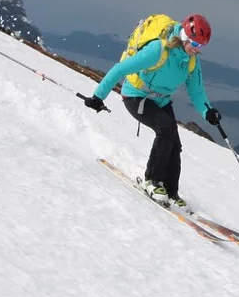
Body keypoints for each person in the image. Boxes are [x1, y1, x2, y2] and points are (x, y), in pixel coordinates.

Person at [83, 14, 222, 208]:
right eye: (195, 45)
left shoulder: (190, 61)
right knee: (165, 129)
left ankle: (171, 190)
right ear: (184, 37)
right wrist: (98, 97)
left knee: (174, 142)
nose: (197, 50)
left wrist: (208, 112)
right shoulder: (158, 50)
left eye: (201, 47)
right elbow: (120, 69)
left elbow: (197, 92)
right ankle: (152, 181)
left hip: (161, 101)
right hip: (136, 95)